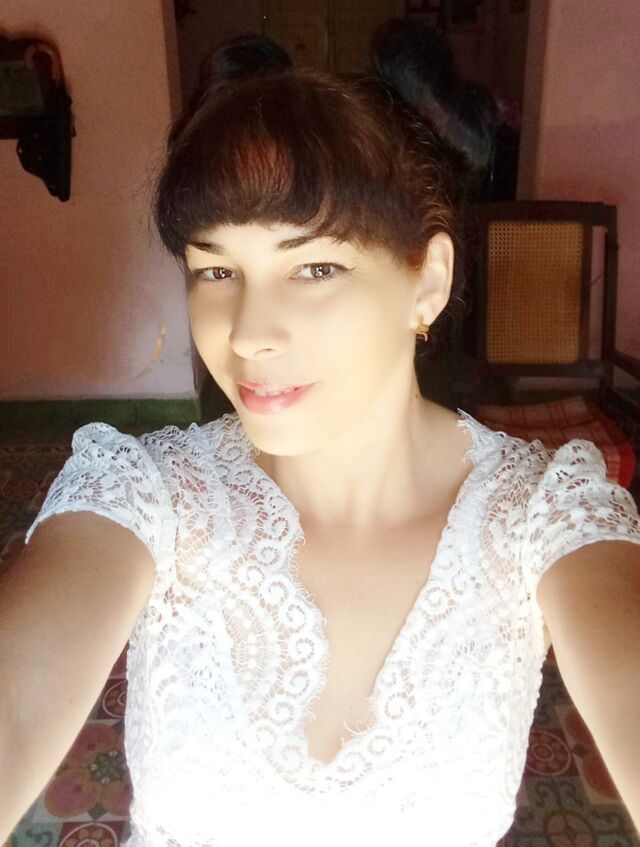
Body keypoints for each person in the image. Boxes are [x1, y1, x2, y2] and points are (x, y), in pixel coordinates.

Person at [2, 17, 640, 847]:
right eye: (216, 270)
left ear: (428, 280)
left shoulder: (544, 516)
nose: (248, 332)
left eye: (314, 267)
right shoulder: (144, 495)